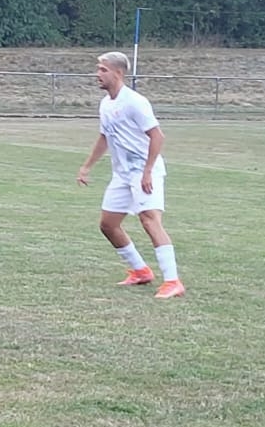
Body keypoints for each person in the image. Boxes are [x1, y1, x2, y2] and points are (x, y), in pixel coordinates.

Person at [76, 51, 184, 298]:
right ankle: (140, 271)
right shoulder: (106, 104)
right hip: (123, 174)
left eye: (102, 70)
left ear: (118, 73)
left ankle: (173, 281)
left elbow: (157, 136)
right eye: (98, 69)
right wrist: (87, 166)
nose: (97, 74)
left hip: (145, 171)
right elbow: (105, 137)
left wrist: (147, 172)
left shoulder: (135, 102)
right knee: (108, 225)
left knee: (149, 219)